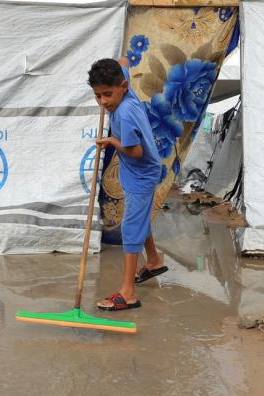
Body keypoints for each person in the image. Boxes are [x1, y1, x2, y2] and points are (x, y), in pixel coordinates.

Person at [87, 57, 169, 311]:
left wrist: (111, 141)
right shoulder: (125, 92)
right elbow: (123, 61)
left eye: (107, 95)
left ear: (122, 86)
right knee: (139, 217)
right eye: (98, 96)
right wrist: (116, 65)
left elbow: (135, 151)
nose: (103, 102)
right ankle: (153, 261)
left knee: (131, 229)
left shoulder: (124, 114)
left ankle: (128, 292)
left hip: (141, 174)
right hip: (140, 172)